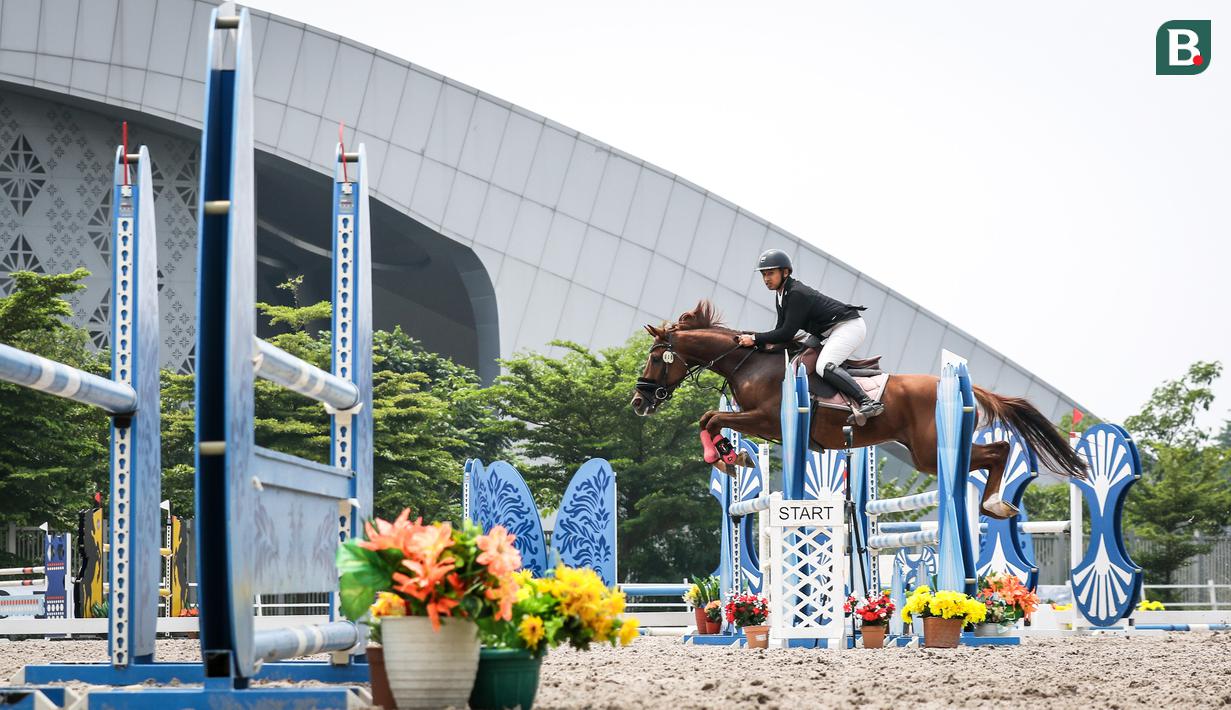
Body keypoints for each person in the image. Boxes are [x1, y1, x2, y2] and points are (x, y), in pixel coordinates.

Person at [736, 249, 884, 423]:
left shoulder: (796, 293)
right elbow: (781, 332)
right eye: (763, 274)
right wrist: (760, 345)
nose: (766, 279)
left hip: (848, 327)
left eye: (770, 273)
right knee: (802, 357)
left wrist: (754, 338)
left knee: (823, 366)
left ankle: (868, 402)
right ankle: (860, 373)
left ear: (785, 272)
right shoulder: (781, 294)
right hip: (828, 331)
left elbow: (786, 333)